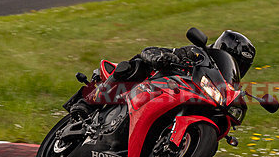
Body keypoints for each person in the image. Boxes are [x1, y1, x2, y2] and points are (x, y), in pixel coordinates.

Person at [70, 30, 256, 118]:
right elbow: (159, 51)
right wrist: (165, 57)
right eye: (234, 59)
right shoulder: (199, 54)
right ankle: (88, 102)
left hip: (181, 99)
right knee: (137, 65)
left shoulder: (228, 87)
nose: (235, 66)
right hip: (154, 83)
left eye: (241, 64)